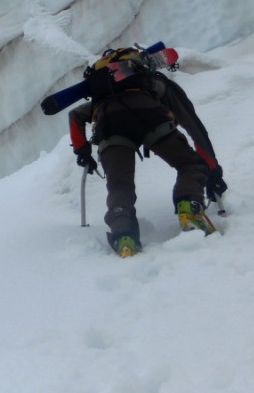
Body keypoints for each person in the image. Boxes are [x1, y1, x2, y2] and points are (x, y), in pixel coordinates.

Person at [67, 46, 227, 257]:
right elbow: (193, 125)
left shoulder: (101, 97)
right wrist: (212, 169)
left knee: (120, 187)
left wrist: (83, 152)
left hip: (108, 125)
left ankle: (124, 234)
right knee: (190, 164)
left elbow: (75, 115)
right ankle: (189, 206)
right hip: (150, 116)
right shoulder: (152, 81)